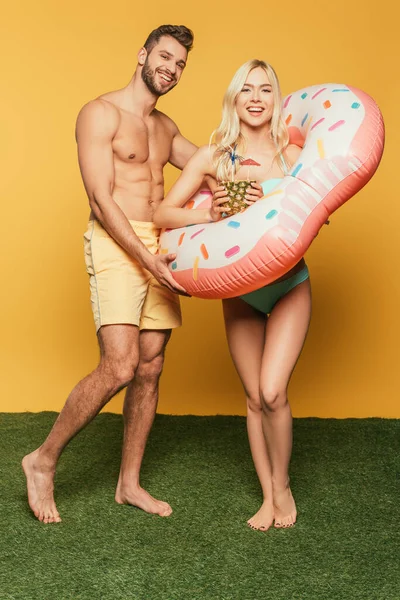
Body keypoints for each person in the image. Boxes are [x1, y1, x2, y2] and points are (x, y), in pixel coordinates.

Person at [22, 24, 202, 524]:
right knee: (120, 364)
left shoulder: (165, 128)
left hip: (158, 245)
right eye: (164, 56)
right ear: (143, 54)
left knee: (150, 365)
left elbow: (211, 167)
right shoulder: (99, 114)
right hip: (116, 242)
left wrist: (283, 180)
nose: (170, 68)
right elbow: (101, 199)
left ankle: (129, 483)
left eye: (180, 63)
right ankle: (42, 460)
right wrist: (146, 261)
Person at [154, 59, 315, 531]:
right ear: (234, 99)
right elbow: (163, 211)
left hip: (289, 285)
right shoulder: (214, 157)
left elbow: (317, 197)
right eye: (247, 89)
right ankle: (267, 496)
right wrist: (207, 214)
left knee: (272, 390)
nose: (256, 98)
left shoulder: (294, 151)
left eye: (265, 89)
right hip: (241, 290)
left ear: (275, 97)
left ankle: (282, 488)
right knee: (252, 396)